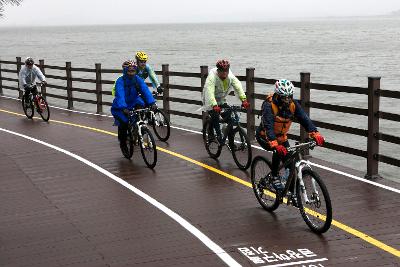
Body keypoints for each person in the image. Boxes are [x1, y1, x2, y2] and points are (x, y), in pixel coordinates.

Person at [256, 79, 325, 194]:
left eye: (289, 96)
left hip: (281, 137)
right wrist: (275, 144)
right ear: (278, 95)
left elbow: (304, 119)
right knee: (278, 151)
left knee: (291, 162)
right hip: (265, 137)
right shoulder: (269, 106)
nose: (287, 100)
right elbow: (268, 127)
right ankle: (274, 176)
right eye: (284, 97)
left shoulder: (293, 104)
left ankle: (291, 193)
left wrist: (315, 133)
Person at [111, 60, 156, 151]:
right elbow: (120, 95)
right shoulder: (120, 81)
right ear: (125, 71)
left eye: (133, 71)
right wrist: (123, 107)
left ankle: (139, 129)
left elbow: (145, 90)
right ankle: (123, 143)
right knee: (123, 123)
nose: (131, 73)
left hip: (134, 101)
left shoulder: (137, 79)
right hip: (121, 105)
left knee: (142, 111)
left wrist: (152, 102)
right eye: (129, 71)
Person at [202, 59, 250, 143]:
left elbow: (238, 87)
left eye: (226, 71)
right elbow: (209, 91)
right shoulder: (212, 77)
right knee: (215, 115)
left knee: (230, 118)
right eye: (222, 71)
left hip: (221, 99)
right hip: (210, 99)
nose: (224, 73)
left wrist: (244, 100)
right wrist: (214, 105)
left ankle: (231, 142)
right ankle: (211, 134)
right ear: (218, 70)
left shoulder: (230, 76)